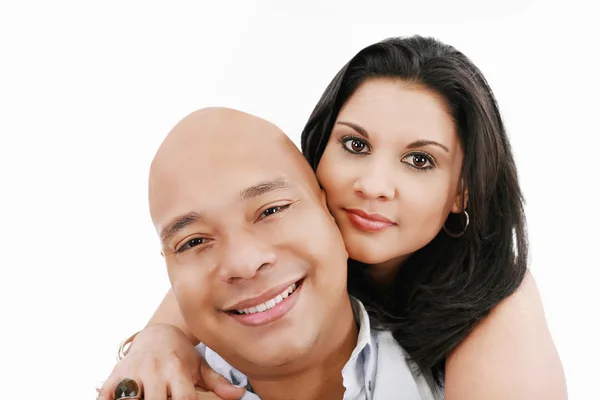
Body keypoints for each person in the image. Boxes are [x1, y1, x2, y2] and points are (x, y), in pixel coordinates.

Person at [99, 35, 566, 400]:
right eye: (356, 145)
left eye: (420, 160)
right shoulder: (267, 247)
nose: (374, 184)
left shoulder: (494, 305)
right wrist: (158, 341)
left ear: (462, 193)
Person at [114, 106, 441, 400]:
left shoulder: (468, 381)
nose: (244, 262)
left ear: (331, 213)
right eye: (193, 242)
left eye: (271, 211)